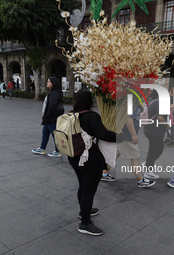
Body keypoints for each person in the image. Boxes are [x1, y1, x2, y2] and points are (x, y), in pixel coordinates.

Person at [68, 89, 122, 236]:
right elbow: (103, 134)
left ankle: (83, 211)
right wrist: (120, 136)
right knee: (89, 190)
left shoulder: (72, 115)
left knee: (83, 185)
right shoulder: (92, 116)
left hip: (74, 157)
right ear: (90, 102)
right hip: (88, 159)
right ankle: (85, 223)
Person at [101, 104, 156, 187]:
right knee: (135, 158)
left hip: (123, 135)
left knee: (115, 154)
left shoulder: (130, 102)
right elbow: (128, 118)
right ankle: (141, 181)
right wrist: (133, 134)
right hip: (127, 136)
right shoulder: (131, 103)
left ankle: (104, 173)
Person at [32, 77, 64, 157]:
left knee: (55, 134)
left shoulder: (54, 93)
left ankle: (58, 150)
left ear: (53, 83)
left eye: (49, 81)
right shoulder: (53, 92)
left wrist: (47, 116)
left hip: (51, 118)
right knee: (45, 133)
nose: (47, 82)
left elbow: (52, 106)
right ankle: (42, 148)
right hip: (49, 118)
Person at [143, 89, 171, 177]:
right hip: (155, 130)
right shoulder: (159, 103)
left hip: (149, 129)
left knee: (153, 149)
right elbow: (160, 117)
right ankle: (148, 171)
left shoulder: (151, 101)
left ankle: (148, 163)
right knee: (157, 149)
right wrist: (168, 126)